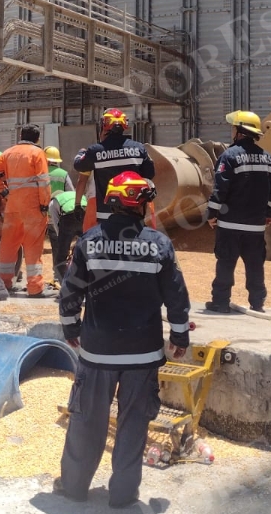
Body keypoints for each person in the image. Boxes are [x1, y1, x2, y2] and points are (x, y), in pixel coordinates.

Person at [55, 171, 190, 508]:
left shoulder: (89, 241)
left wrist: (71, 328)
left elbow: (70, 292)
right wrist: (180, 334)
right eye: (146, 201)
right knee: (133, 426)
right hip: (142, 354)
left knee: (87, 421)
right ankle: (123, 496)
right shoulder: (158, 244)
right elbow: (175, 295)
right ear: (138, 204)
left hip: (97, 352)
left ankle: (73, 487)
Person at [204, 111, 271, 314]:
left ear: (239, 131)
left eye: (233, 127)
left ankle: (220, 303)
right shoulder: (268, 158)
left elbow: (220, 189)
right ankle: (257, 303)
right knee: (255, 265)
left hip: (230, 225)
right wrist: (270, 213)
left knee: (226, 264)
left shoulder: (229, 156)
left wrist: (212, 214)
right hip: (255, 226)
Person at [0, 124, 54, 297]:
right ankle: (35, 287)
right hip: (32, 208)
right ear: (37, 139)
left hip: (12, 208)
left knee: (8, 247)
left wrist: (3, 191)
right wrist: (44, 203)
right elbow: (44, 181)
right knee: (33, 248)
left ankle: (4, 284)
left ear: (21, 135)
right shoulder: (37, 153)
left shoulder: (8, 152)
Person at [74, 108, 155, 232]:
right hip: (134, 212)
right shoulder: (139, 149)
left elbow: (79, 165)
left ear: (104, 125)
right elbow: (150, 174)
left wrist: (81, 153)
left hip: (106, 215)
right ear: (124, 125)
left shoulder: (96, 151)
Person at [47, 189, 87, 287]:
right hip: (84, 214)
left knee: (61, 258)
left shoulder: (53, 202)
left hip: (68, 218)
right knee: (87, 253)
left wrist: (62, 241)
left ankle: (65, 286)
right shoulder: (76, 194)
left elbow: (56, 224)